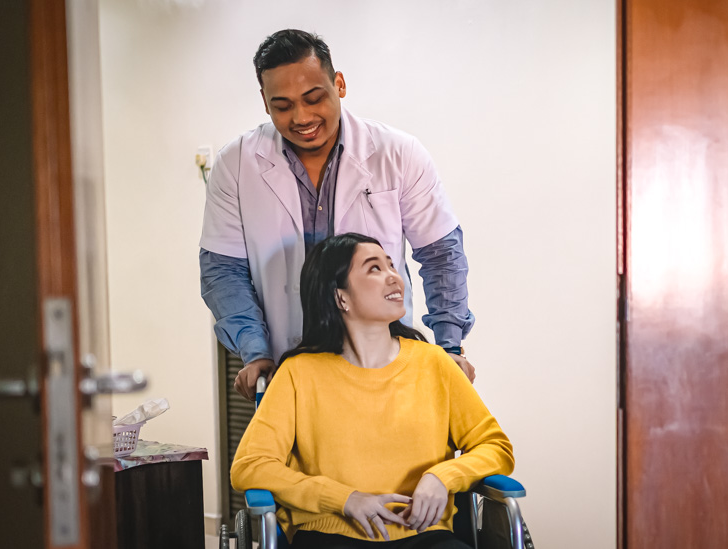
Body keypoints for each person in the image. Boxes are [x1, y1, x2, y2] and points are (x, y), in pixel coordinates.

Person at [200, 29, 477, 401]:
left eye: (314, 98)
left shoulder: (398, 153)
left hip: (386, 365)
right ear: (265, 103)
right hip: (288, 368)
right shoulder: (236, 164)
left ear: (339, 84)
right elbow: (222, 270)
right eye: (282, 106)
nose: (301, 117)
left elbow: (441, 256)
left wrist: (449, 348)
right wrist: (255, 351)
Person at [230, 233, 514, 549]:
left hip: (426, 535)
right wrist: (343, 499)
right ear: (341, 297)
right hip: (330, 535)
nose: (393, 277)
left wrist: (443, 477)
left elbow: (495, 447)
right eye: (374, 269)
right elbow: (250, 465)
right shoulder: (299, 373)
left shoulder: (433, 363)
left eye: (391, 266)